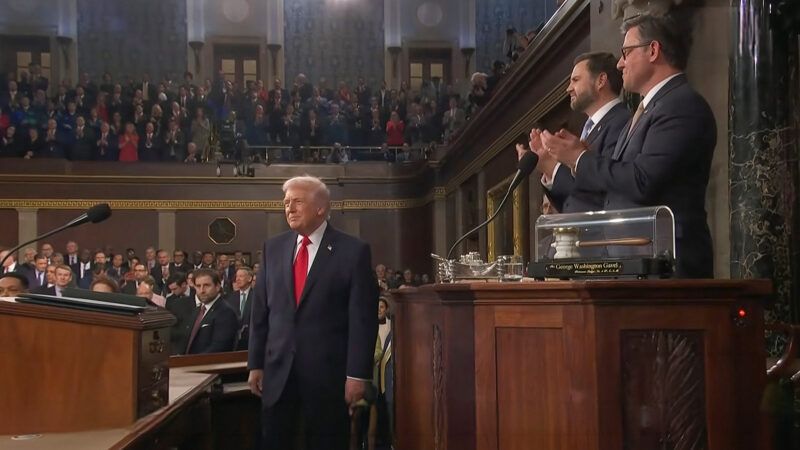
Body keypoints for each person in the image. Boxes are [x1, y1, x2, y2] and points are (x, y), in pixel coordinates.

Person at [541, 13, 715, 278]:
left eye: (626, 52)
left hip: (667, 265)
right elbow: (617, 184)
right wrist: (577, 157)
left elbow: (642, 180)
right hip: (635, 260)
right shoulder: (647, 109)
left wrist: (579, 158)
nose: (620, 63)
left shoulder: (681, 106)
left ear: (653, 50)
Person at [248, 175, 379, 450]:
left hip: (328, 378)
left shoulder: (353, 251)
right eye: (286, 202)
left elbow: (362, 320)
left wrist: (357, 376)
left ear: (321, 208)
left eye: (297, 202)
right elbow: (260, 312)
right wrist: (255, 364)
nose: (289, 208)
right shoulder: (273, 248)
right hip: (277, 374)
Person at [519, 52, 630, 213]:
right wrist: (548, 167)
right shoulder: (590, 128)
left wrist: (552, 167)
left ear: (601, 81)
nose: (569, 88)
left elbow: (605, 195)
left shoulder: (621, 122)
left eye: (576, 80)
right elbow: (570, 204)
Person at [184, 269, 238, 354]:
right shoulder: (197, 310)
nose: (202, 290)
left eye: (206, 285)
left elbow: (219, 348)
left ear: (217, 286)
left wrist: (193, 361)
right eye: (198, 286)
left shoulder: (226, 312)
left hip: (206, 361)